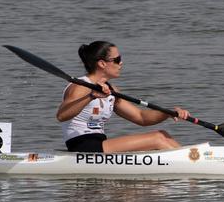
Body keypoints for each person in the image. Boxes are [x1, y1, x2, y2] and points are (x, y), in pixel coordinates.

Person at [57, 41, 189, 153]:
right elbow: (62, 116)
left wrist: (167, 113)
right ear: (102, 64)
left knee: (163, 135)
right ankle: (192, 163)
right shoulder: (81, 86)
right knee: (158, 137)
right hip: (82, 147)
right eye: (117, 60)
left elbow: (141, 117)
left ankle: (191, 161)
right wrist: (91, 96)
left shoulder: (111, 90)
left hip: (100, 144)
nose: (121, 63)